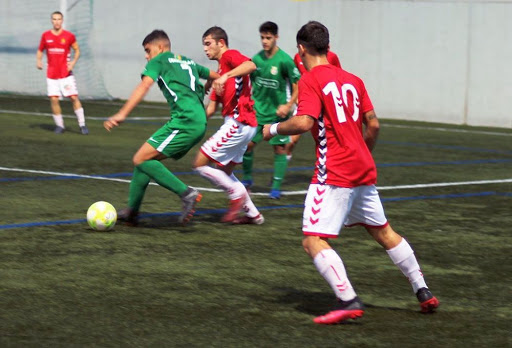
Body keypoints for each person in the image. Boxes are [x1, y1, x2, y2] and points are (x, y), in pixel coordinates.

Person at [263, 21, 439, 324]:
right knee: (383, 231)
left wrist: (273, 129)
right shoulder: (354, 80)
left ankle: (348, 299)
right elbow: (374, 124)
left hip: (334, 172)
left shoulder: (310, 79)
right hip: (363, 167)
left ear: (302, 49)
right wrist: (361, 151)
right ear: (328, 47)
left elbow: (304, 122)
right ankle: (422, 290)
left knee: (313, 240)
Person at [104, 29, 219, 226]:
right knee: (145, 159)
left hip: (184, 121)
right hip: (196, 121)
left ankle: (187, 193)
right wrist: (208, 83)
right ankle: (132, 211)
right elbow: (216, 76)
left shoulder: (160, 60)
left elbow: (144, 86)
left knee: (140, 158)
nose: (147, 57)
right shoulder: (187, 61)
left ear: (161, 47)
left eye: (148, 51)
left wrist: (122, 114)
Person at [192, 26, 264, 225]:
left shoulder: (230, 56)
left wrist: (225, 76)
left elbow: (250, 66)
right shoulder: (219, 71)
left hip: (239, 122)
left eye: (208, 44)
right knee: (223, 171)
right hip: (243, 125)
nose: (205, 49)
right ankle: (253, 214)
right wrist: (193, 119)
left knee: (199, 164)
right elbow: (212, 107)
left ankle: (236, 194)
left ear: (221, 43)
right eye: (203, 45)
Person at [241, 21, 301, 199]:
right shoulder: (257, 59)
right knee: (247, 145)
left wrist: (288, 105)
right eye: (262, 38)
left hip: (277, 115)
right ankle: (247, 179)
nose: (265, 41)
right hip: (258, 113)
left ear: (276, 37)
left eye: (268, 38)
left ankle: (275, 186)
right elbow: (249, 82)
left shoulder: (284, 60)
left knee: (280, 149)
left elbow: (298, 86)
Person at [36, 11, 88, 135]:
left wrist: (73, 62)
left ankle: (82, 124)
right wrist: (38, 60)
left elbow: (77, 50)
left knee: (74, 97)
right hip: (52, 75)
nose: (57, 21)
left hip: (66, 75)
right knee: (54, 100)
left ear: (62, 21)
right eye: (54, 19)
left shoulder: (69, 36)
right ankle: (60, 126)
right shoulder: (46, 36)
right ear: (51, 21)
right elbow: (40, 50)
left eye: (59, 19)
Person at [285, 49, 342, 160]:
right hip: (306, 101)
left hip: (325, 103)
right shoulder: (298, 56)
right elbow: (294, 78)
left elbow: (338, 76)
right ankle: (284, 161)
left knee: (326, 139)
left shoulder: (332, 57)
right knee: (292, 139)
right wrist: (295, 96)